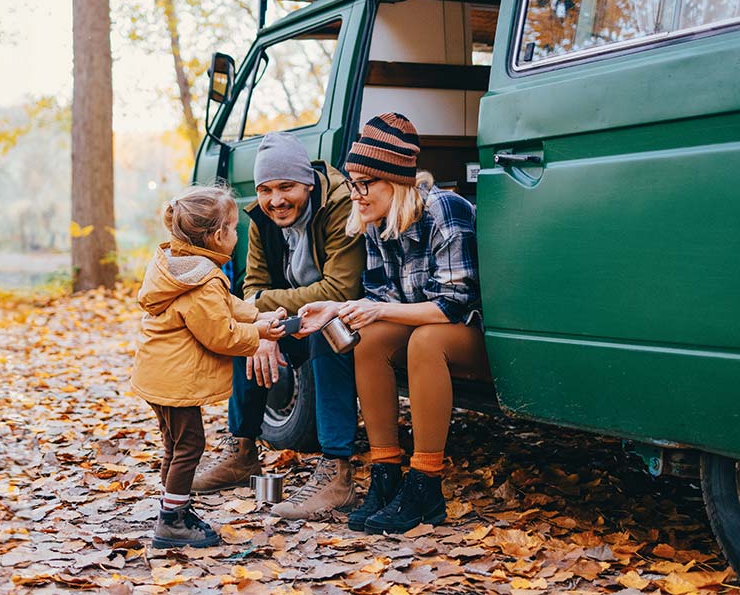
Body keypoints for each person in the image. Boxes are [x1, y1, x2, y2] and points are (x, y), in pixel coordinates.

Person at [297, 113, 484, 534]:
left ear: (395, 181)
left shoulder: (444, 211)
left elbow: (454, 306)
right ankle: (386, 474)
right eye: (352, 183)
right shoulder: (376, 222)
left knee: (424, 341)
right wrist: (335, 309)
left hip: (471, 335)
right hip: (424, 326)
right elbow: (382, 299)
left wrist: (378, 310)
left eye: (365, 183)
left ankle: (425, 483)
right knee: (370, 341)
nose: (356, 195)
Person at [191, 132, 365, 520]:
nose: (276, 200)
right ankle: (242, 454)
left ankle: (337, 471)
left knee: (328, 330)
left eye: (286, 187)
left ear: (306, 181)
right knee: (244, 336)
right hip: (294, 316)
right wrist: (263, 329)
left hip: (349, 315)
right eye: (266, 189)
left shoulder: (338, 206)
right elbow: (252, 285)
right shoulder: (261, 217)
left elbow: (340, 288)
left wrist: (261, 311)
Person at [131, 184, 285, 548]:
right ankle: (171, 522)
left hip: (158, 373)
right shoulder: (203, 280)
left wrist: (258, 313)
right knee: (190, 446)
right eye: (233, 228)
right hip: (174, 380)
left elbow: (227, 305)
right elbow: (222, 334)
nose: (236, 234)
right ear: (217, 236)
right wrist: (260, 331)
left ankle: (174, 507)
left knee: (175, 444)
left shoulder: (184, 266)